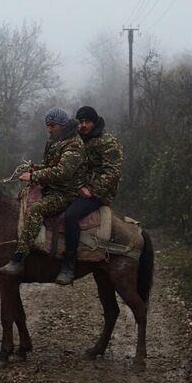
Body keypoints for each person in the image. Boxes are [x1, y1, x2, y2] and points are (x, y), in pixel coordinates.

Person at [0, 107, 85, 276]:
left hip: (65, 193)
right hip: (51, 187)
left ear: (62, 125)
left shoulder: (74, 145)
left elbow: (62, 172)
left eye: (52, 125)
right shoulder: (55, 141)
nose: (49, 128)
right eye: (47, 125)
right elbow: (50, 166)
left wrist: (33, 176)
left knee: (37, 209)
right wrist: (34, 168)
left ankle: (19, 258)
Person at [55, 105, 123, 285]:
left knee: (71, 215)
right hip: (78, 188)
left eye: (87, 121)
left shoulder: (107, 141)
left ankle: (69, 264)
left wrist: (92, 190)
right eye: (81, 121)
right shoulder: (78, 139)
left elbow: (112, 172)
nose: (83, 125)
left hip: (98, 192)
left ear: (94, 121)